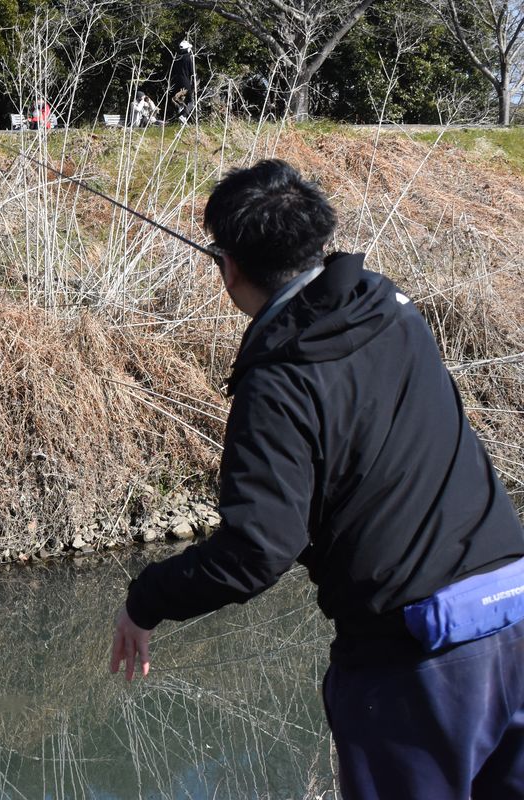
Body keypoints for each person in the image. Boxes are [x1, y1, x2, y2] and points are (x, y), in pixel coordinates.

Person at [109, 159, 524, 799]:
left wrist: (148, 599)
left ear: (228, 267)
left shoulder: (277, 380)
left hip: (418, 659)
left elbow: (256, 552)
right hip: (515, 611)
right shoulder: (390, 307)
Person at [170, 39, 196, 123]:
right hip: (185, 82)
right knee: (190, 102)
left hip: (176, 82)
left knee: (180, 101)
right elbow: (192, 72)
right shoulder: (188, 58)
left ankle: (180, 119)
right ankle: (183, 116)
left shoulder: (176, 58)